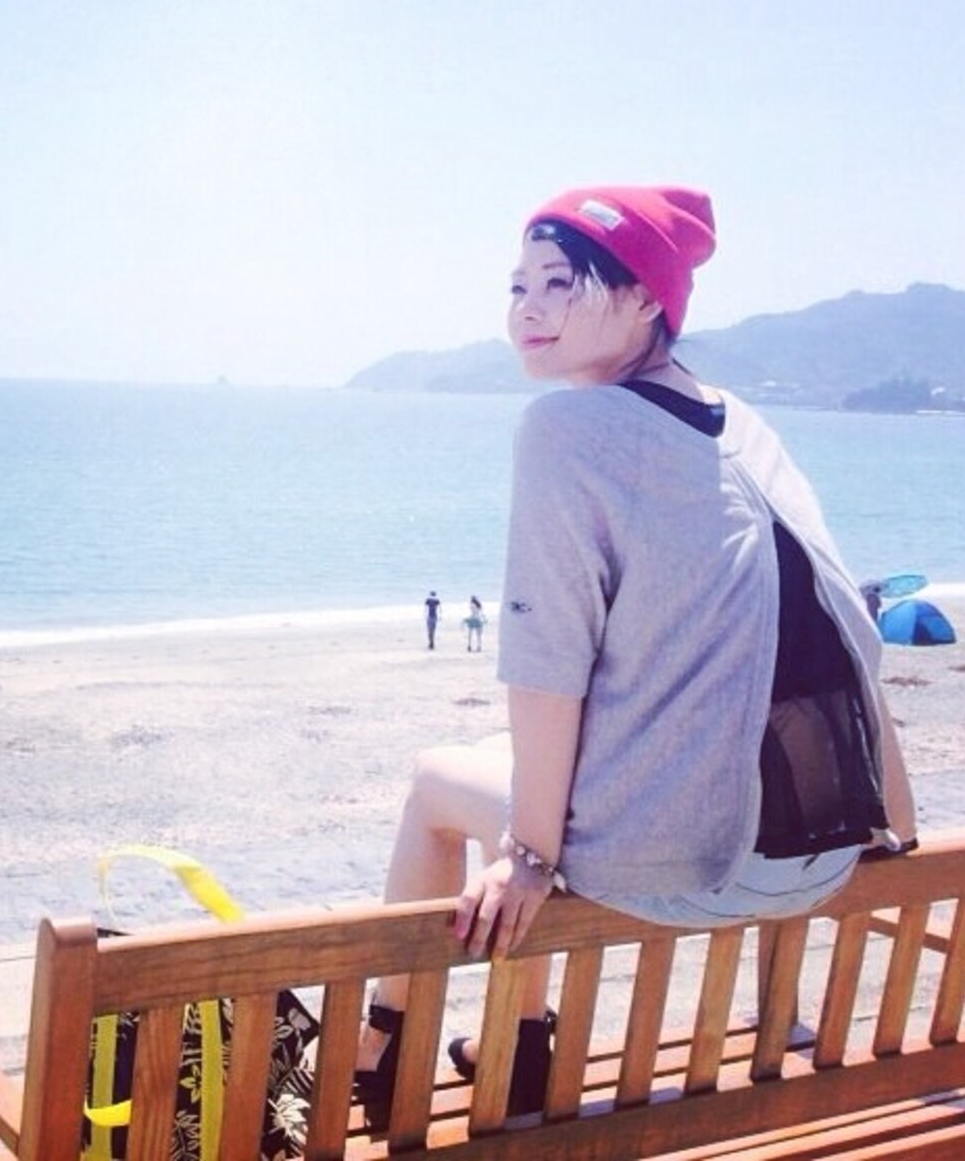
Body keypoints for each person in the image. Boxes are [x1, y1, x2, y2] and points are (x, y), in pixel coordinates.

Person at [354, 185, 916, 1121]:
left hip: (695, 864)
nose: (528, 308)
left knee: (435, 782)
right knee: (509, 773)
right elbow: (836, 614)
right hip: (823, 853)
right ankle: (519, 1043)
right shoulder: (742, 424)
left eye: (560, 282)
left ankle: (382, 1046)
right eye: (518, 285)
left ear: (648, 298)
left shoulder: (567, 428)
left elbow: (548, 662)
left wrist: (530, 855)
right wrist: (895, 817)